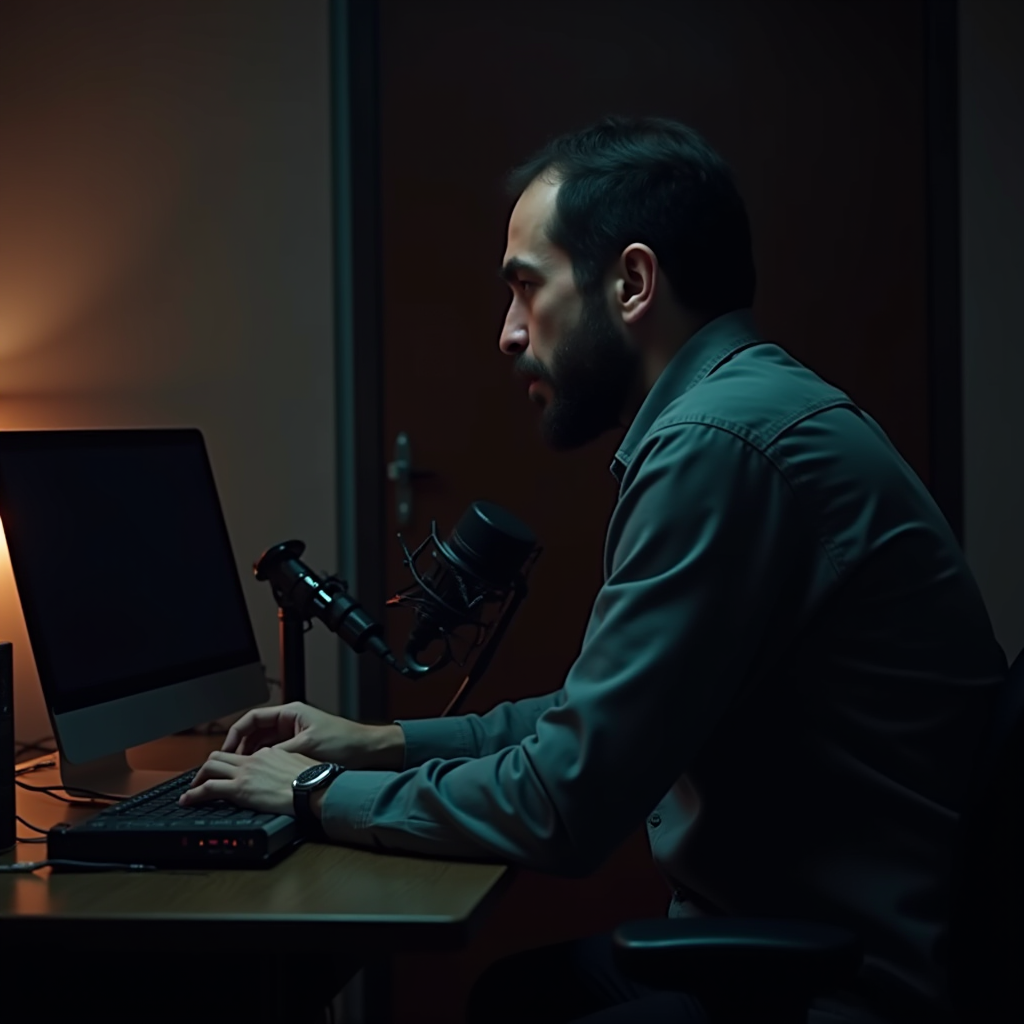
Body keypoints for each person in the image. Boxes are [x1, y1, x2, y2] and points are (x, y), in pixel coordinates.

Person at [180, 116, 1007, 1023]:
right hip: (809, 944)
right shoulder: (745, 411)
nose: (506, 333)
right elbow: (606, 719)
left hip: (854, 985)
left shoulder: (716, 446)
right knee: (514, 998)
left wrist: (311, 791)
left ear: (633, 283)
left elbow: (565, 801)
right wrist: (380, 744)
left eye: (525, 288)